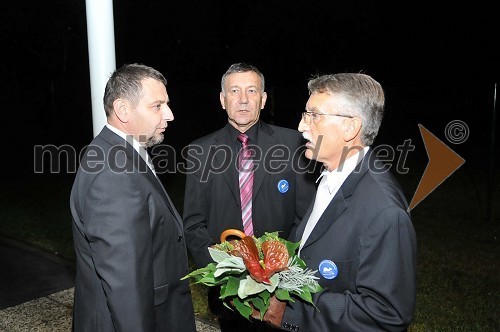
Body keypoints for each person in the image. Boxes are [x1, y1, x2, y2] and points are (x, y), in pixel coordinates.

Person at [252, 73, 418, 331]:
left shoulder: (384, 210)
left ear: (350, 127)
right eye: (305, 114)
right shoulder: (330, 175)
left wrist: (291, 310)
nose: (301, 126)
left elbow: (386, 315)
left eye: (314, 115)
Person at [183, 62, 317, 331]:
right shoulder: (200, 151)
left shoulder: (294, 145)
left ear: (263, 99)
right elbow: (193, 223)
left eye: (252, 91)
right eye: (234, 91)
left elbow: (307, 217)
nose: (243, 99)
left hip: (282, 288)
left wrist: (284, 271)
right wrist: (223, 270)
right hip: (228, 291)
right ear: (222, 100)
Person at [70, 63, 196, 332]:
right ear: (123, 110)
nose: (170, 115)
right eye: (157, 106)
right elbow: (126, 286)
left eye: (167, 104)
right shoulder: (113, 175)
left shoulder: (120, 153)